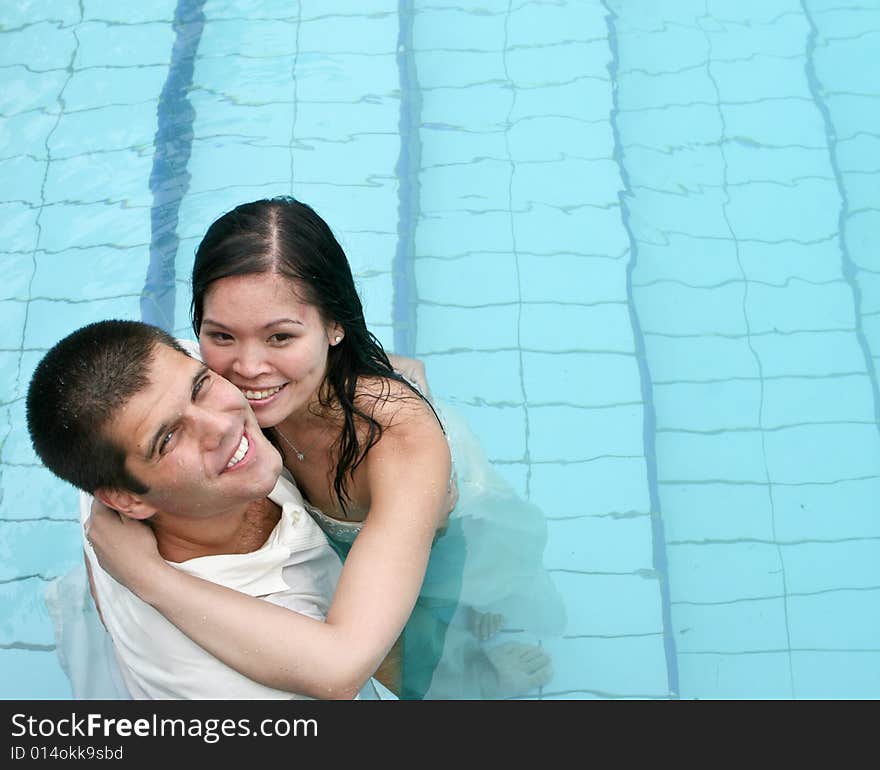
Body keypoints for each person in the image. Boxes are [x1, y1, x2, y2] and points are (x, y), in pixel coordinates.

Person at [88, 197, 565, 699]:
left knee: (432, 637)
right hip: (369, 495)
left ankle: (485, 673)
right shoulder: (204, 391)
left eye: (279, 337)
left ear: (335, 326)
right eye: (222, 335)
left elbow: (341, 669)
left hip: (443, 525)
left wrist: (144, 574)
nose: (247, 369)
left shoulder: (398, 447)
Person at [27, 319, 390, 699]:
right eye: (168, 439)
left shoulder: (122, 435)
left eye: (200, 388)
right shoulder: (234, 685)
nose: (221, 424)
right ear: (125, 501)